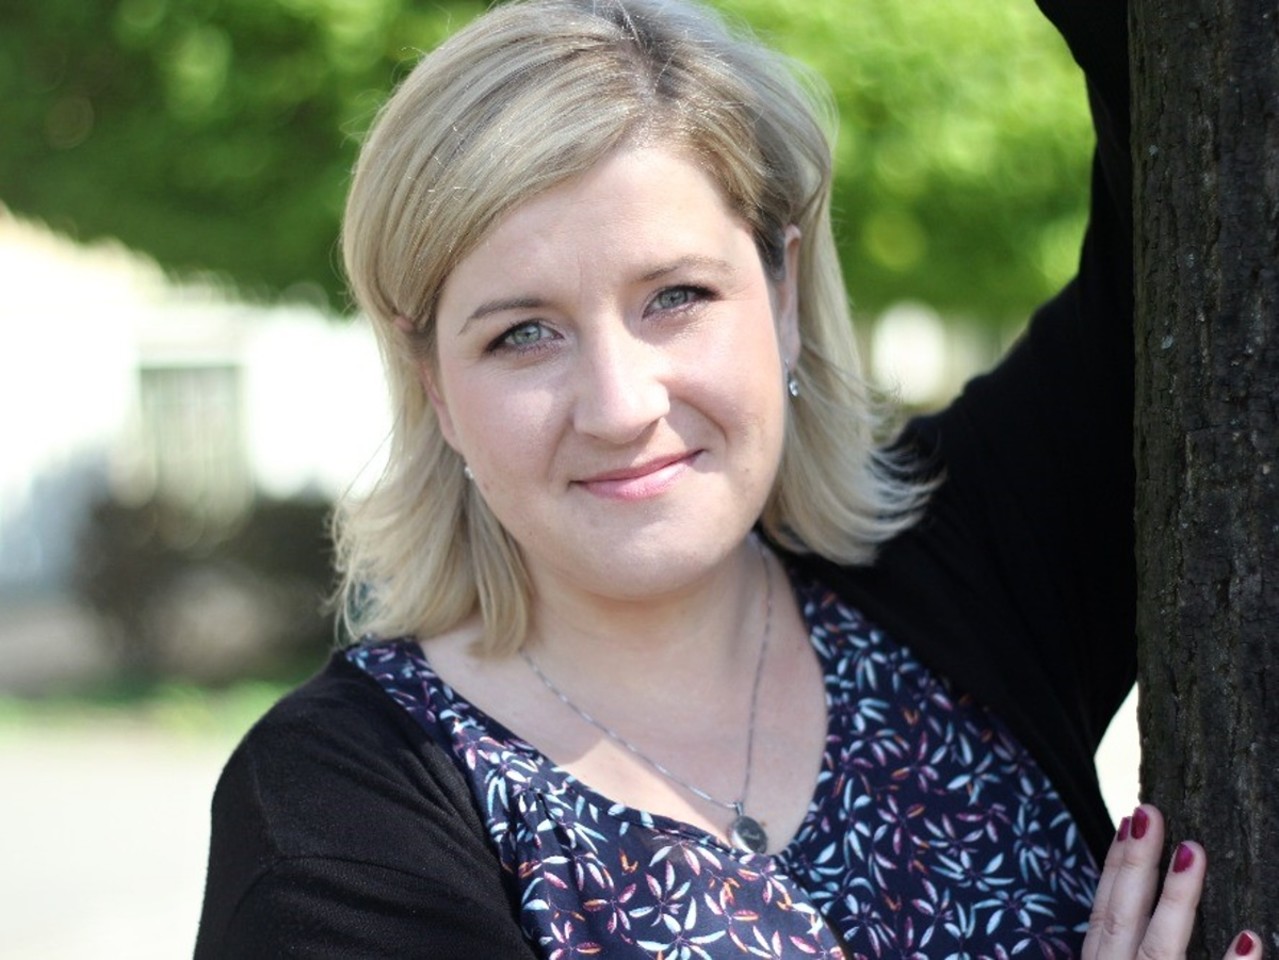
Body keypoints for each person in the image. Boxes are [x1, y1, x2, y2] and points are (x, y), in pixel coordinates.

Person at [195, 0, 1260, 956]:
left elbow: (1207, 120)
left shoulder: (967, 553)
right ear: (433, 383)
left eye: (675, 297)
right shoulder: (338, 806)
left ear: (782, 293)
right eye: (522, 333)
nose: (619, 406)